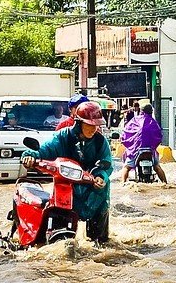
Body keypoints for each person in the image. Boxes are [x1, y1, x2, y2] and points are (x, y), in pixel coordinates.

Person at [21, 101, 114, 244]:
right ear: (79, 123)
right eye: (89, 125)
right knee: (60, 236)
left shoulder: (101, 142)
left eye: (96, 125)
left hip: (94, 188)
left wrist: (102, 177)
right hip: (68, 186)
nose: (93, 129)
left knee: (100, 241)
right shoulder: (62, 137)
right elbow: (45, 151)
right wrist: (30, 155)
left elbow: (106, 163)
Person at [120, 101, 168, 184]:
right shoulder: (154, 122)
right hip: (150, 150)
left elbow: (126, 133)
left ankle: (122, 183)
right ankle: (165, 183)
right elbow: (159, 136)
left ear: (141, 111)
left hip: (135, 151)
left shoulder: (134, 120)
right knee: (157, 166)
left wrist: (123, 140)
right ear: (151, 112)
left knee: (127, 167)